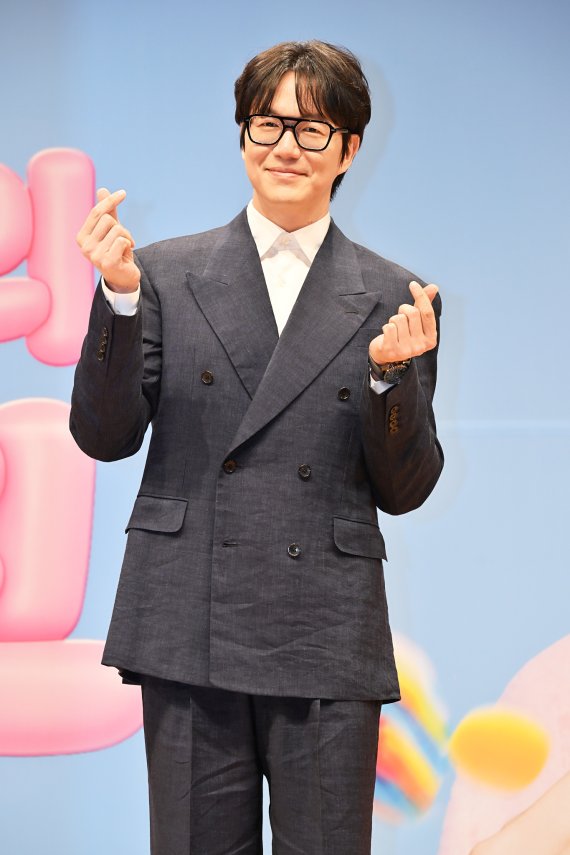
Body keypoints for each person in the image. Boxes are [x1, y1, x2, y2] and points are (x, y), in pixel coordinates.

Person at [71, 39, 443, 855]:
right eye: (267, 124)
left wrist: (390, 382)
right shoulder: (158, 274)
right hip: (188, 617)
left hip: (326, 629)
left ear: (349, 148)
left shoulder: (395, 295)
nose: (285, 146)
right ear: (243, 135)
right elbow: (104, 436)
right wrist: (119, 302)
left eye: (312, 129)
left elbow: (406, 486)